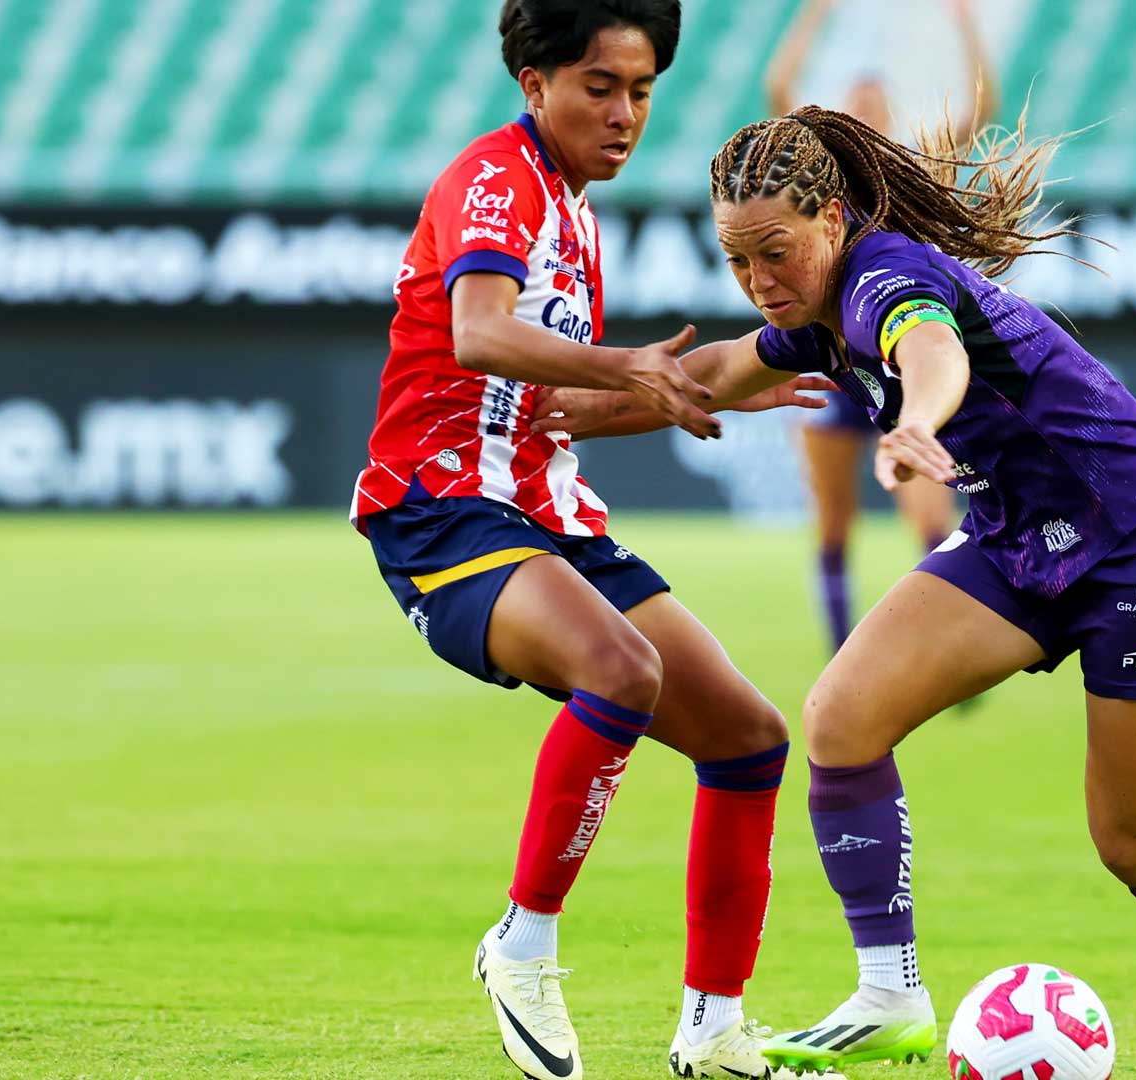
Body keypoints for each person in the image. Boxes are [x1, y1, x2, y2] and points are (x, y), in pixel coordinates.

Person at [533, 104, 1136, 1080]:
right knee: (841, 718)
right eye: (737, 261)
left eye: (775, 252)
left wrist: (914, 423)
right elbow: (712, 372)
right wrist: (541, 420)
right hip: (1025, 541)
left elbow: (933, 350)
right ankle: (891, 993)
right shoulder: (813, 317)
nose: (760, 281)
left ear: (834, 220)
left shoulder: (886, 280)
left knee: (1133, 841)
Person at [349, 4, 833, 1077]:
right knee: (623, 667)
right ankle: (521, 945)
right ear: (534, 84)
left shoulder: (573, 211)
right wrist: (629, 366)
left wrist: (685, 396)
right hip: (440, 513)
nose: (624, 115)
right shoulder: (496, 181)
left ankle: (713, 1030)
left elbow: (552, 413)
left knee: (749, 739)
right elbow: (478, 336)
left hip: (545, 512)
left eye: (642, 91)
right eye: (598, 87)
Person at [764, 0, 996, 652]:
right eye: (856, 101)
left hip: (898, 372)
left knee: (933, 519)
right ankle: (842, 651)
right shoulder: (820, 177)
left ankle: (948, 647)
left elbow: (981, 111)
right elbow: (779, 91)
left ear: (891, 115)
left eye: (876, 101)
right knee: (834, 526)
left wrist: (966, 25)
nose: (868, 109)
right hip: (836, 372)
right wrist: (813, 16)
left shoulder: (909, 172)